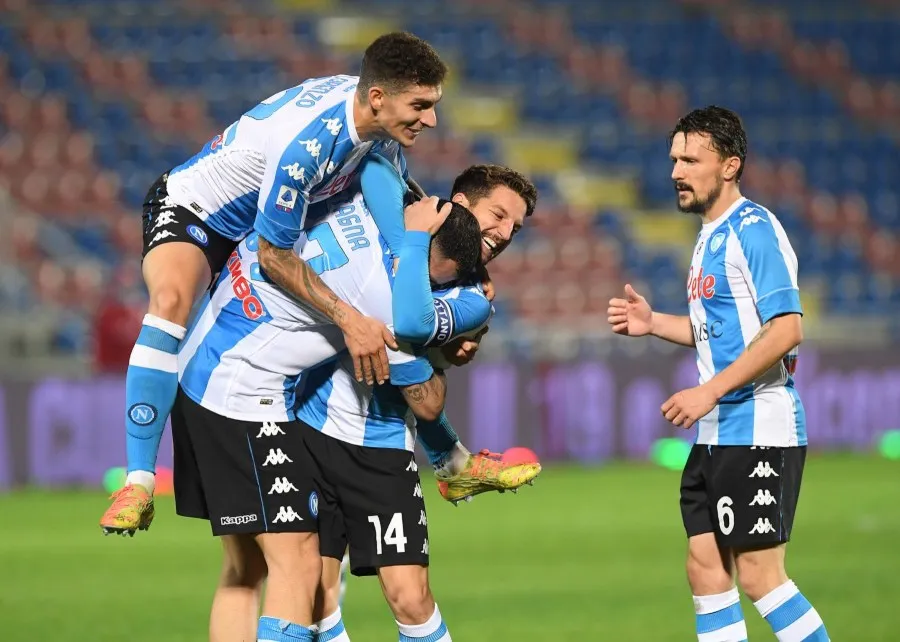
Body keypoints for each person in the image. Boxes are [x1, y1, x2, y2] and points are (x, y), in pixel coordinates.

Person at [100, 32, 448, 536]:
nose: (431, 120)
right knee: (171, 302)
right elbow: (272, 256)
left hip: (264, 224)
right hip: (198, 213)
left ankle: (446, 457)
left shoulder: (376, 125)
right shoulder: (306, 148)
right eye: (420, 106)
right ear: (378, 97)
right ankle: (137, 482)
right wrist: (349, 319)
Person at [205, 160, 540, 642]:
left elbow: (411, 336)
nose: (505, 234)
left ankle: (453, 462)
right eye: (499, 215)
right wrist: (411, 243)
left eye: (516, 228)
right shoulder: (389, 217)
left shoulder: (474, 298)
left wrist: (413, 264)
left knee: (411, 598)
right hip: (309, 426)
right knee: (312, 594)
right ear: (460, 204)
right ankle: (454, 462)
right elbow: (378, 165)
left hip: (381, 444)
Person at [607, 106, 829, 642]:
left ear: (730, 166)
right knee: (705, 567)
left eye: (691, 160)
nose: (676, 172)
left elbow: (786, 329)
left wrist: (709, 390)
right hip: (718, 432)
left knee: (759, 576)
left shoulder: (754, 229)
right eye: (674, 160)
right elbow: (719, 330)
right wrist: (654, 323)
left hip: (757, 425)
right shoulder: (710, 236)